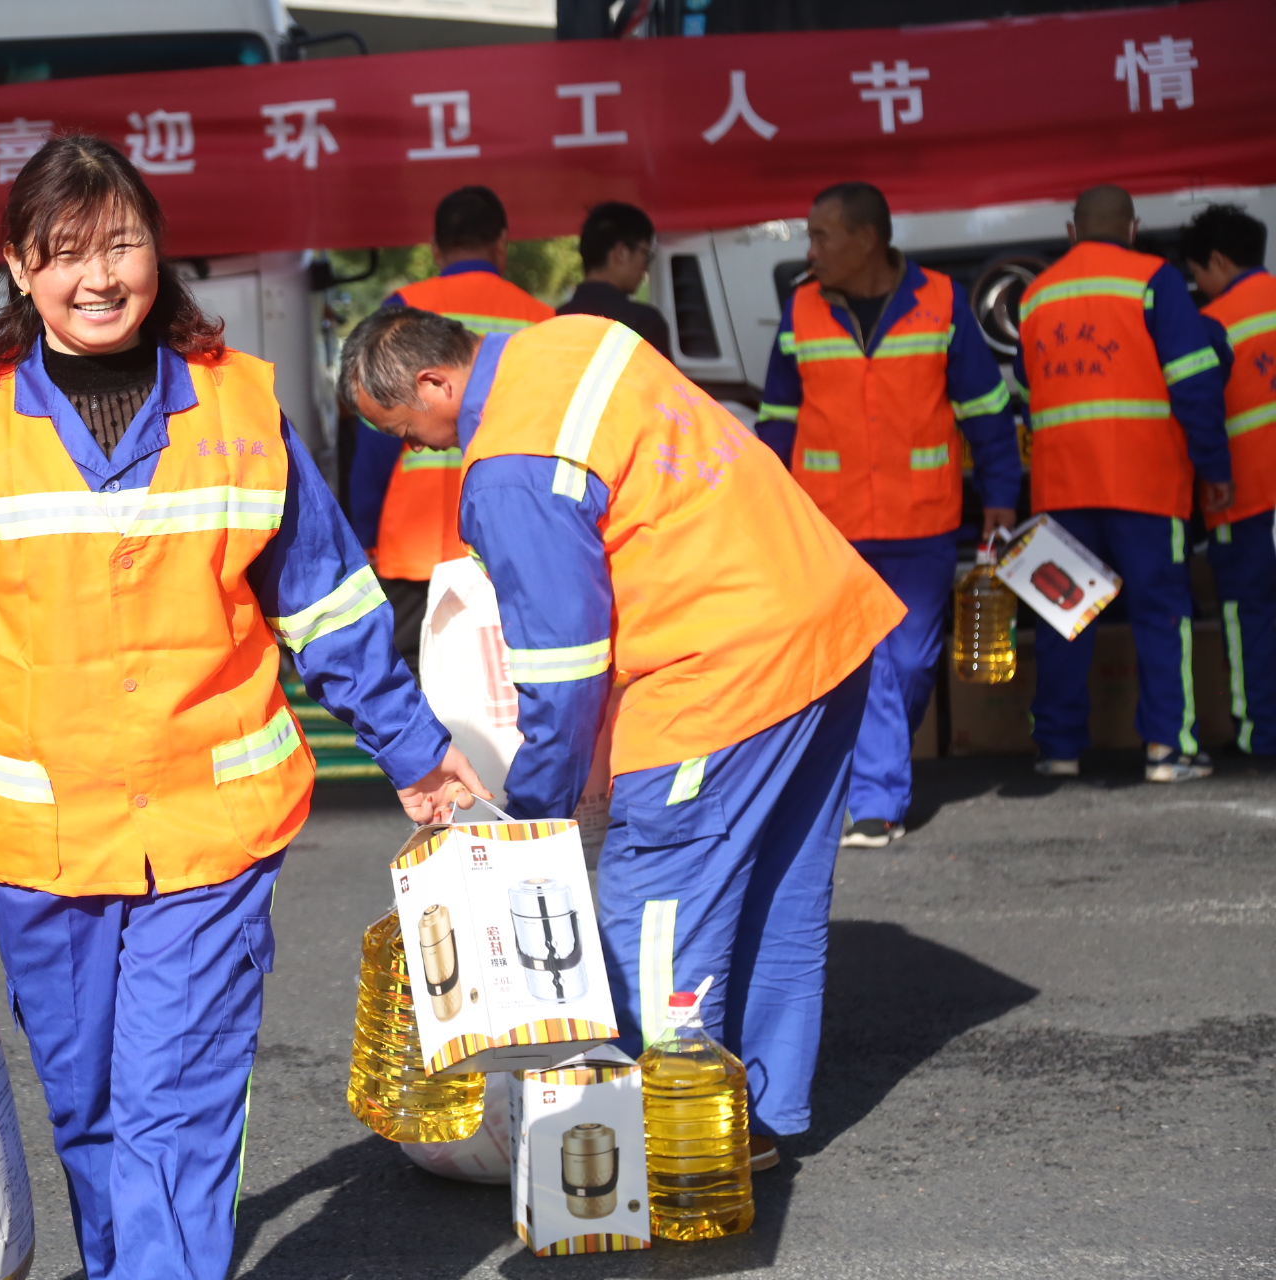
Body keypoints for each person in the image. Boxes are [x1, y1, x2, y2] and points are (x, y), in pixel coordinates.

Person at [0, 136, 484, 1280]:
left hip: (212, 828)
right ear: (18, 265)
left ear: (161, 251)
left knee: (171, 1108)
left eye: (123, 244)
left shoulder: (241, 404)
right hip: (46, 839)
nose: (98, 277)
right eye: (65, 253)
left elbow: (331, 605)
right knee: (91, 1110)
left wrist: (415, 751)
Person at [340, 306, 905, 1172]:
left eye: (407, 433)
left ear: (432, 384)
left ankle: (657, 1153)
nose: (419, 450)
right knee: (778, 893)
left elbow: (564, 671)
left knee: (651, 909)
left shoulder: (510, 467)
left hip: (719, 668)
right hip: (823, 624)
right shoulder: (575, 339)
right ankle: (760, 1117)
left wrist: (532, 822)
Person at [758, 182, 1021, 848]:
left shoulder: (941, 302)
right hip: (829, 523)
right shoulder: (801, 310)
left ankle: (868, 772)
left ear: (866, 239)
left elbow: (987, 410)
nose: (809, 250)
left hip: (921, 519)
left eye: (821, 236)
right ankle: (876, 802)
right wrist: (764, 507)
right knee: (862, 661)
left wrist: (1000, 497)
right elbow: (778, 419)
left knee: (907, 663)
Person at [1013, 185, 1232, 782]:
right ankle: (1168, 747)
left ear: (1070, 230)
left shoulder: (1035, 295)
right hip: (1143, 484)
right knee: (1161, 614)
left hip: (1061, 487)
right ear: (1133, 228)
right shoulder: (1154, 280)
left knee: (1064, 616)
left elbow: (1029, 390)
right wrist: (1214, 470)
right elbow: (1194, 383)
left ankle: (1057, 749)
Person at [347, 185, 555, 669]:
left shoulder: (402, 312)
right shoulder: (541, 320)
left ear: (435, 248)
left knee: (421, 688)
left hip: (414, 550)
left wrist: (365, 534)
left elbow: (378, 437)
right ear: (502, 242)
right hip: (507, 544)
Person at [1182, 203, 1276, 756]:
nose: (1197, 286)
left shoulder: (1213, 324)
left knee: (1251, 617)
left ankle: (1262, 736)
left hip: (1246, 499)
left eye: (1197, 273)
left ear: (1218, 259)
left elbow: (1197, 411)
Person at [556, 200, 671, 353]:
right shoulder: (644, 322)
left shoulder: (555, 319)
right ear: (620, 253)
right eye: (645, 255)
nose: (645, 266)